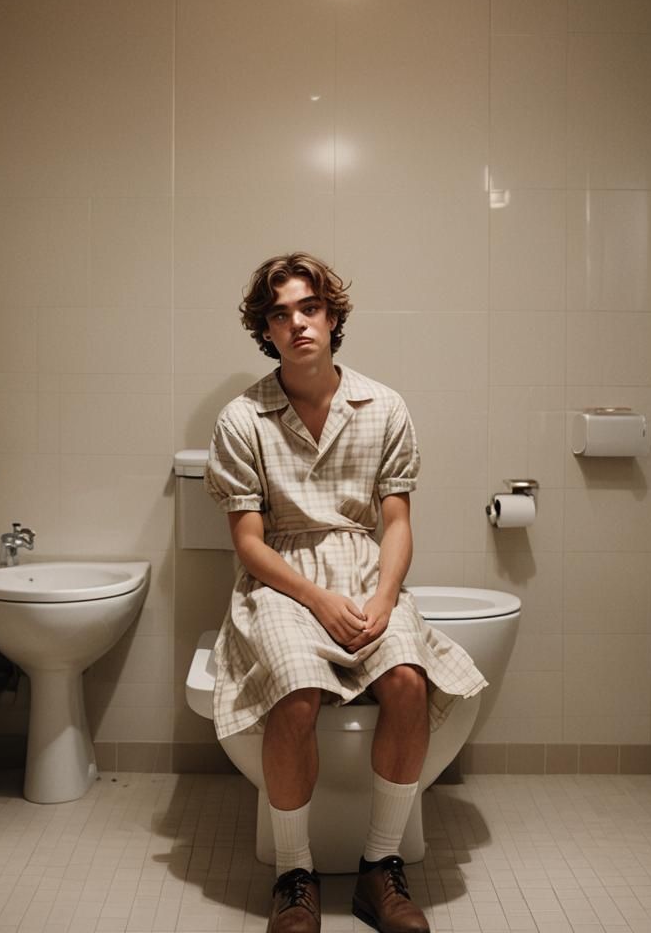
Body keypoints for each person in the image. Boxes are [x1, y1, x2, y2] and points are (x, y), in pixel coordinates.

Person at [204, 253, 486, 933]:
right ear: (265, 331)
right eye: (280, 314)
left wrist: (385, 598)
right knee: (297, 692)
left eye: (310, 309)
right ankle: (294, 877)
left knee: (409, 682)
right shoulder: (242, 419)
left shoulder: (383, 406)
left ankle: (380, 870)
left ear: (332, 318)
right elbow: (248, 543)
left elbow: (396, 523)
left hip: (367, 569)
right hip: (281, 576)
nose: (297, 324)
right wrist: (318, 600)